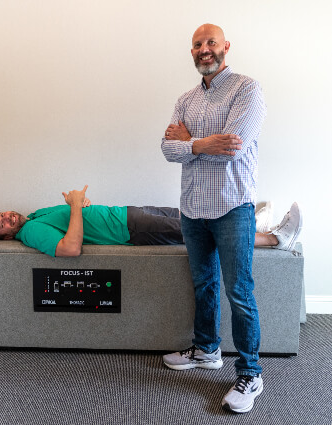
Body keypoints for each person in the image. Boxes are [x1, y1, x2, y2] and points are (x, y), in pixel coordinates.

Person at [160, 23, 291, 413]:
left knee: (240, 292)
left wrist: (190, 143)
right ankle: (206, 350)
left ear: (225, 47)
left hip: (233, 207)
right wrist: (202, 143)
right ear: (192, 52)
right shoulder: (185, 99)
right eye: (198, 44)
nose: (204, 49)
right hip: (192, 208)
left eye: (211, 42)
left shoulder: (247, 89)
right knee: (204, 284)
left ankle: (250, 373)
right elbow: (168, 148)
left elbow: (233, 146)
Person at [0, 185, 302, 259]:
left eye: (2, 214)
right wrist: (77, 207)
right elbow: (70, 248)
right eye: (2, 225)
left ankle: (253, 225)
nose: (6, 218)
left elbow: (74, 222)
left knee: (193, 215)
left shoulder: (35, 215)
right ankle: (274, 239)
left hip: (127, 214)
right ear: (5, 237)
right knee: (197, 230)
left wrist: (81, 206)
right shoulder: (30, 232)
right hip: (131, 230)